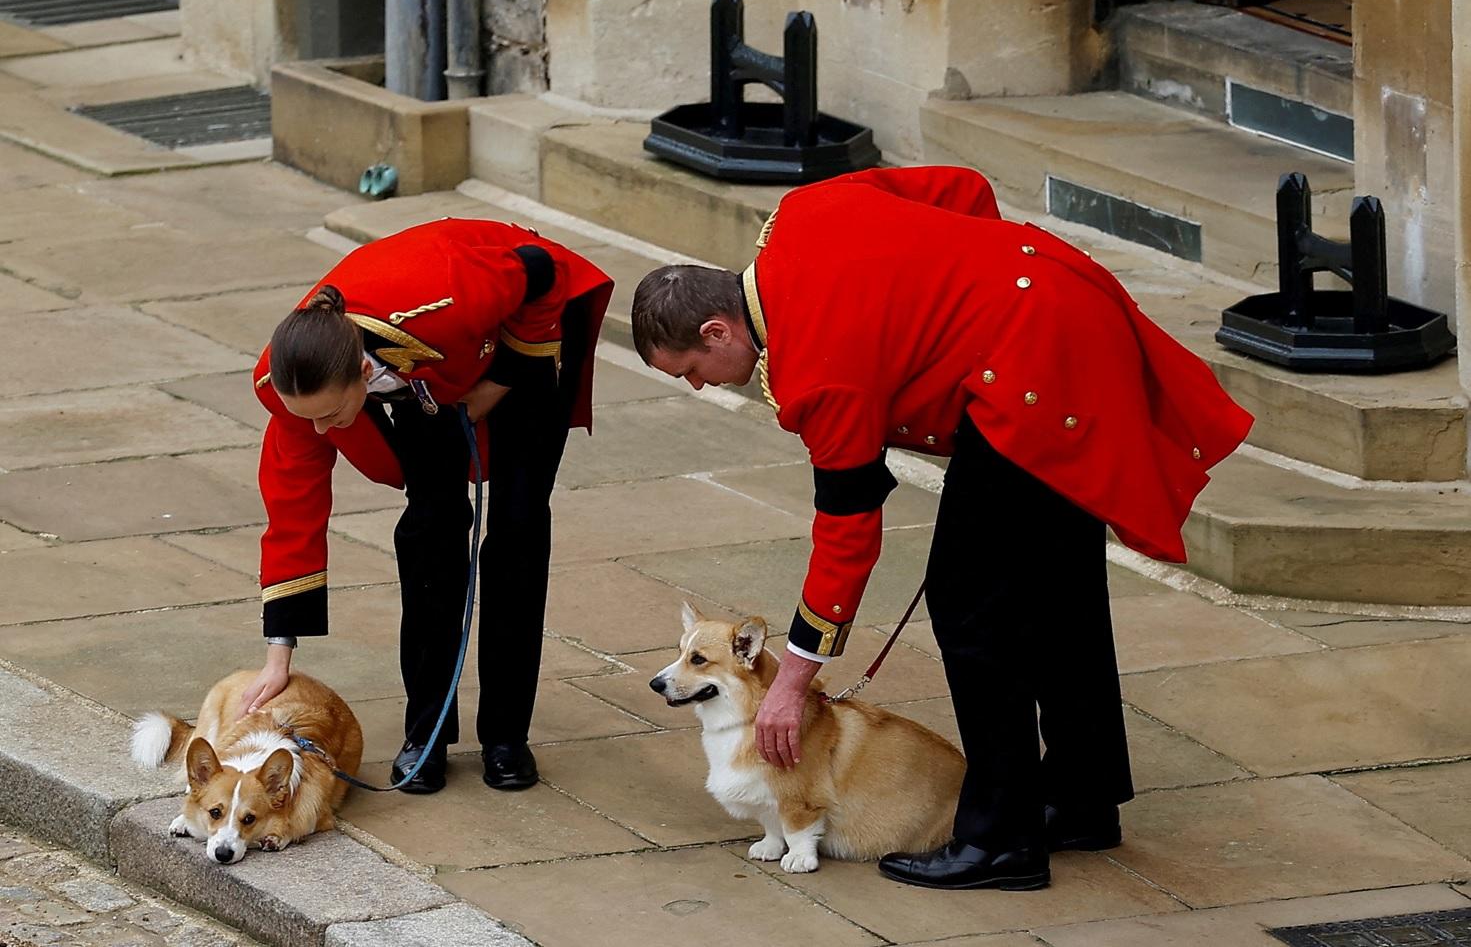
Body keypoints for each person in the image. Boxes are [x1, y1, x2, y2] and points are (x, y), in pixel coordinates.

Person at [630, 165, 1252, 890]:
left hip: (1029, 375)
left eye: (695, 369)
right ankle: (1082, 797)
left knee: (970, 609)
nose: (702, 385)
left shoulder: (816, 372)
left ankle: (1001, 838)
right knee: (1057, 585)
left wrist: (792, 680)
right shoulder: (802, 212)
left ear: (717, 327)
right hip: (1061, 300)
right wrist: (973, 287)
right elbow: (960, 189)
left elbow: (848, 532)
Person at [243, 217, 613, 794]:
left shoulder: (447, 293)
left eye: (328, 414)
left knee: (517, 528)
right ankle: (427, 734)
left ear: (363, 372)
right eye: (306, 415)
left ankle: (506, 737)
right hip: (427, 378)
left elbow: (543, 274)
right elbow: (291, 513)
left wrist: (500, 383)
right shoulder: (294, 384)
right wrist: (278, 655)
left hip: (522, 340)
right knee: (430, 530)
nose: (316, 429)